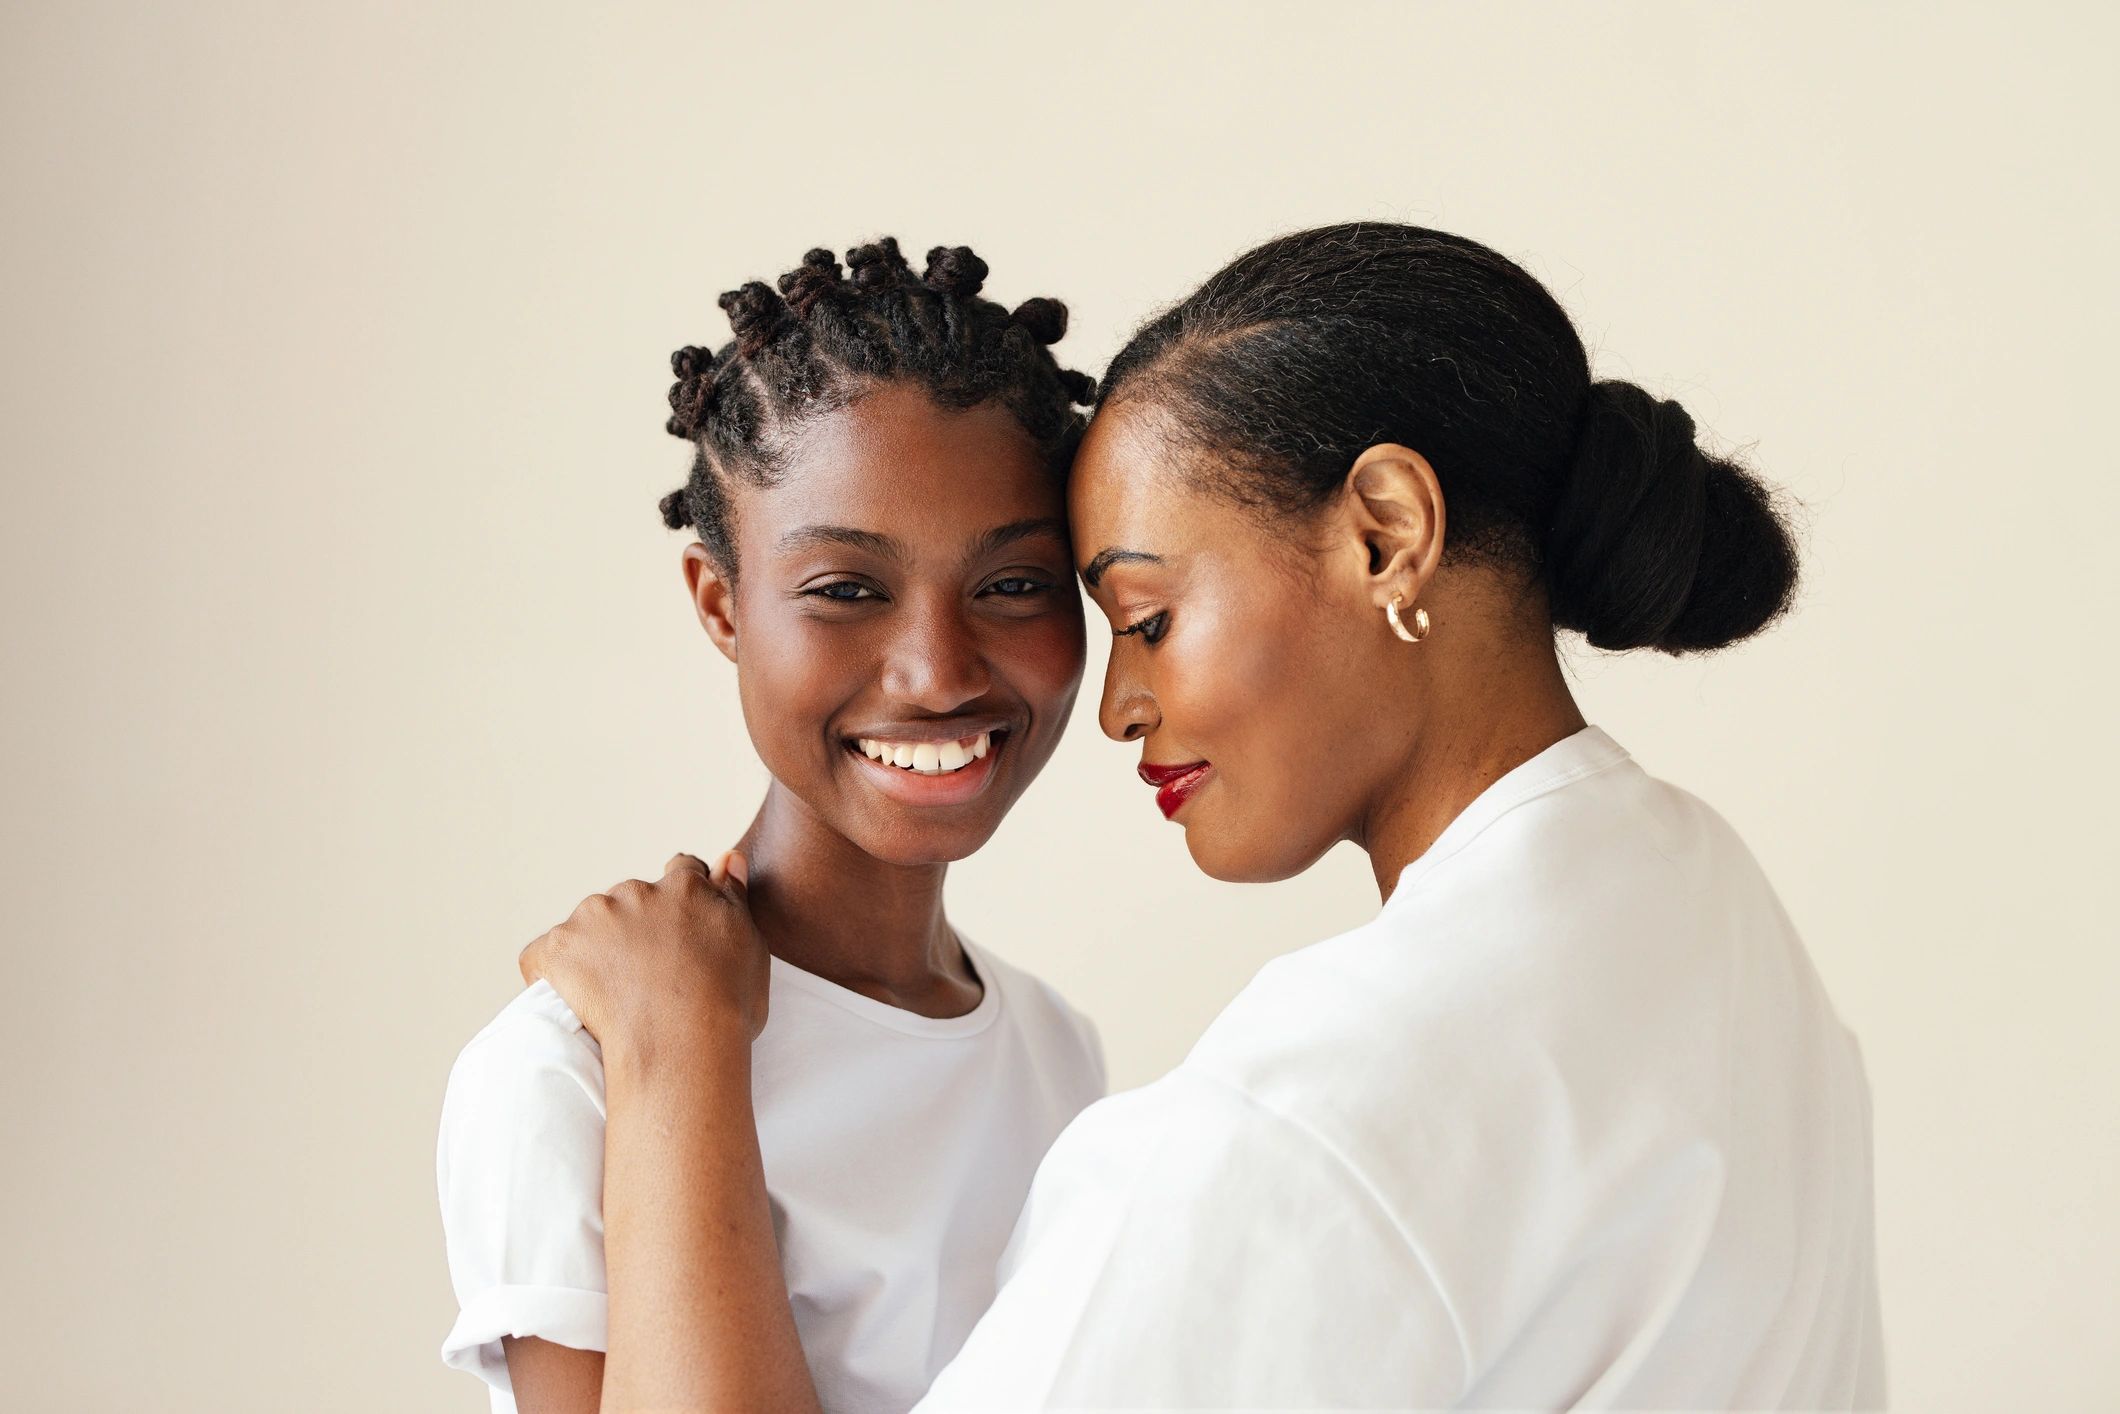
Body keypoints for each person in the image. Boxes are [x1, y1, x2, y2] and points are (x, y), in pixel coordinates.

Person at [521, 222, 1887, 1410]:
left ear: (1387, 532)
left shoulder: (1318, 1110)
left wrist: (675, 1049)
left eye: (1152, 617)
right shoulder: (1707, 901)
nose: (1119, 705)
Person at [436, 239, 1112, 1414]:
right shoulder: (567, 1073)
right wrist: (677, 1053)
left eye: (1012, 584)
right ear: (720, 604)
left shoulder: (1056, 1052)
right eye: (847, 589)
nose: (937, 672)